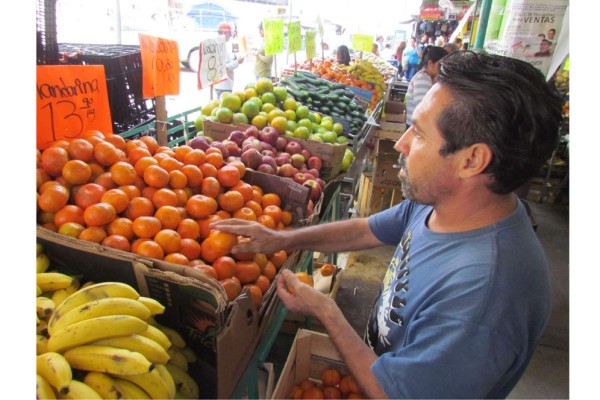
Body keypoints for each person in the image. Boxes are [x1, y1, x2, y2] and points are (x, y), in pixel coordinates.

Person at [210, 50, 563, 399]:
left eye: (420, 134)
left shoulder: (485, 298)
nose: (401, 143)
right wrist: (280, 238)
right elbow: (365, 229)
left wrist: (326, 311)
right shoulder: (440, 206)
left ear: (472, 160)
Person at [404, 46, 448, 128]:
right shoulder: (422, 79)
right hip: (416, 128)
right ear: (430, 64)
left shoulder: (428, 78)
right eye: (441, 65)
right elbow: (424, 109)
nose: (443, 69)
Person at [213, 22, 245, 99]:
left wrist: (235, 59)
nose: (230, 36)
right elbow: (224, 68)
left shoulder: (223, 44)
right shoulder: (219, 46)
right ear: (225, 32)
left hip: (225, 84)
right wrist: (237, 62)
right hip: (222, 85)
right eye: (229, 33)